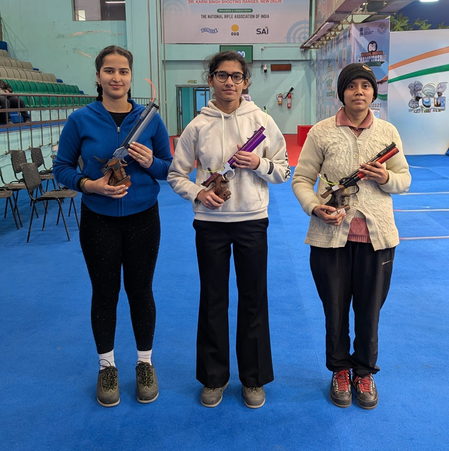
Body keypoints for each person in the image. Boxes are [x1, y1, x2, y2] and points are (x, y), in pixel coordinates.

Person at [167, 50, 290, 409]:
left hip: (252, 221)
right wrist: (198, 192)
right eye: (222, 75)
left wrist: (259, 163)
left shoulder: (262, 121)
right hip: (210, 225)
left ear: (246, 81)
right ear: (211, 80)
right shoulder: (197, 125)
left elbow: (284, 170)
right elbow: (176, 174)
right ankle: (213, 378)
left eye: (236, 76)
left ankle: (253, 379)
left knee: (254, 299)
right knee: (213, 300)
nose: (229, 82)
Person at [53, 45, 173, 407]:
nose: (116, 77)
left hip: (143, 218)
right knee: (104, 293)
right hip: (98, 220)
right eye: (109, 70)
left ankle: (144, 364)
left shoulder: (150, 120)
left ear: (131, 76)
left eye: (123, 71)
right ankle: (107, 367)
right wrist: (90, 185)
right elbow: (61, 168)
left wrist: (151, 162)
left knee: (141, 291)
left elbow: (169, 168)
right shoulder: (80, 119)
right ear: (98, 76)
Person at [291, 63, 411, 410]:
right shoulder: (321, 132)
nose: (359, 92)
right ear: (341, 93)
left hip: (377, 239)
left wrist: (386, 178)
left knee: (370, 312)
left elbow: (404, 179)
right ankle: (340, 370)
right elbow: (302, 179)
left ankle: (365, 372)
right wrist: (314, 207)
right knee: (335, 310)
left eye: (366, 86)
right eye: (352, 86)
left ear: (374, 93)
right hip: (330, 238)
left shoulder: (387, 131)